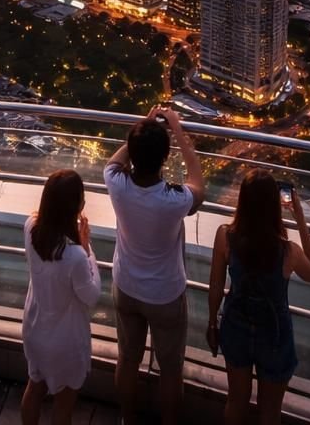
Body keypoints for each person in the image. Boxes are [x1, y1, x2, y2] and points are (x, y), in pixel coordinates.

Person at [104, 107, 204, 425]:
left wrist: (143, 126)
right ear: (164, 158)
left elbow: (115, 162)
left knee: (127, 360)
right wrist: (177, 130)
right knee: (171, 371)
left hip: (126, 286)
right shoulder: (173, 201)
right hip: (164, 294)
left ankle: (127, 418)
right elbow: (198, 185)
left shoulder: (116, 184)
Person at [206, 171, 310, 425]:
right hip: (274, 334)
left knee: (236, 401)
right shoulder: (287, 251)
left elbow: (215, 286)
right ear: (274, 206)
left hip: (235, 324)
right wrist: (301, 220)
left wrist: (212, 323)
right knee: (269, 413)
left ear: (243, 201)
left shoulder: (225, 236)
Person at [20, 169, 100, 425]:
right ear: (76, 208)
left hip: (34, 328)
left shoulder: (31, 227)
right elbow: (91, 295)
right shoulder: (75, 255)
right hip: (64, 342)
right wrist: (88, 250)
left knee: (34, 388)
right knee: (63, 407)